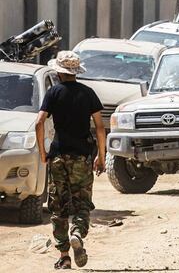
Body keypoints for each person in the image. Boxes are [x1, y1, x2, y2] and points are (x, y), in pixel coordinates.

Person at [35, 51, 106, 269]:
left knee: (58, 207)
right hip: (82, 157)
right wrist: (101, 157)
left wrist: (42, 153)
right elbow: (100, 128)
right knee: (82, 204)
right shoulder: (88, 93)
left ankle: (64, 256)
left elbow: (39, 123)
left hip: (57, 156)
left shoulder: (53, 93)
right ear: (76, 72)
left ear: (58, 71)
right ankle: (77, 232)